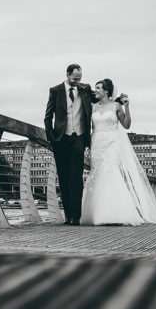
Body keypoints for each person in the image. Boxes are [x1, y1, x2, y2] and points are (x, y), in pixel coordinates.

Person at [79, 79, 156, 226]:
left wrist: (127, 107)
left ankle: (114, 213)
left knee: (111, 173)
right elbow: (89, 127)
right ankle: (97, 213)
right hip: (97, 143)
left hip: (112, 143)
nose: (95, 90)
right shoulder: (93, 107)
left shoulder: (116, 105)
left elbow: (127, 125)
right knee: (97, 174)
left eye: (98, 88)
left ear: (106, 91)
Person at [44, 64, 93, 225]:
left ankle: (76, 217)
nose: (77, 81)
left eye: (80, 78)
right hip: (61, 139)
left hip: (79, 137)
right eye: (74, 78)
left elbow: (98, 98)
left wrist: (117, 100)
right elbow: (48, 115)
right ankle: (68, 216)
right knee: (64, 178)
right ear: (67, 74)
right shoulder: (55, 90)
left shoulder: (85, 89)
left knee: (76, 178)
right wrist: (51, 136)